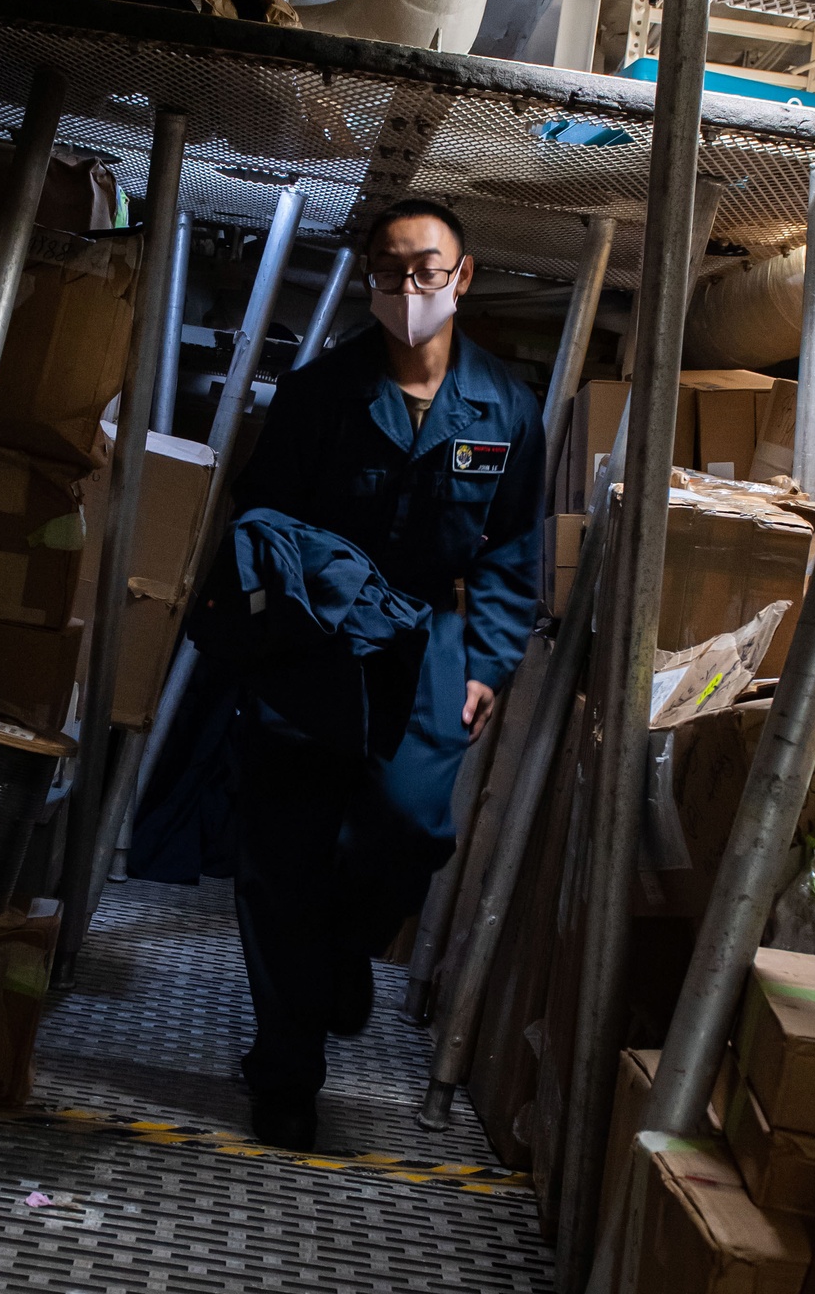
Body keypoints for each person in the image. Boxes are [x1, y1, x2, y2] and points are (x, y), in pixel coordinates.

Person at [229, 198, 545, 1150]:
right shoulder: (323, 392)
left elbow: (512, 548)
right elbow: (261, 517)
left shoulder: (503, 405)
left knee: (410, 827)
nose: (410, 290)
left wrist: (488, 661)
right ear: (369, 279)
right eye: (390, 272)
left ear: (465, 275)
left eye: (427, 269)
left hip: (425, 643)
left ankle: (346, 946)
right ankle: (286, 1076)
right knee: (282, 862)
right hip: (310, 642)